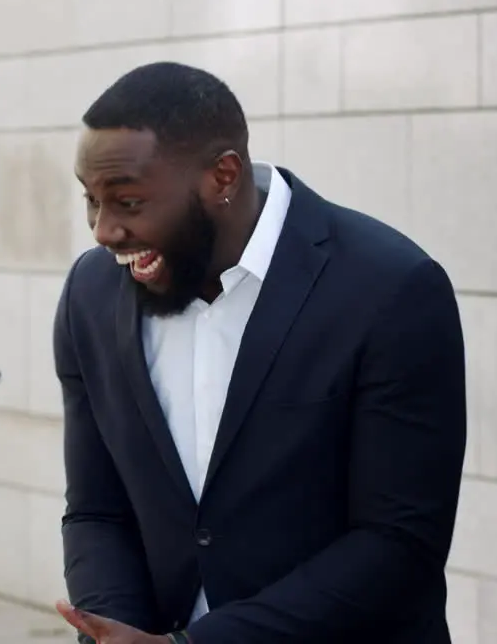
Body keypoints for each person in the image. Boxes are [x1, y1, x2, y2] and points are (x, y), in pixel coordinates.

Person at [51, 62, 466, 644]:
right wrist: (115, 630)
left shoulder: (391, 289)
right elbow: (97, 509)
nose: (102, 230)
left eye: (128, 202)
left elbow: (397, 543)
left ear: (223, 176)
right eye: (91, 201)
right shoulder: (90, 295)